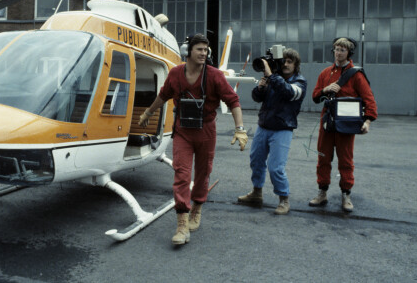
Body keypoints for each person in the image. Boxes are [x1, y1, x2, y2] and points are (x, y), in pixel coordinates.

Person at [138, 34, 248, 245]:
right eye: (199, 49)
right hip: (183, 131)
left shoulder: (215, 76)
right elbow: (163, 95)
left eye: (206, 50)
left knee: (203, 171)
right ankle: (181, 225)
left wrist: (240, 129)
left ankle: (197, 207)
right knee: (182, 173)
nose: (203, 54)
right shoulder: (176, 73)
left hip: (206, 130)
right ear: (188, 51)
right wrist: (148, 113)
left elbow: (233, 101)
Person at [309, 37, 377, 212]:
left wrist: (368, 121)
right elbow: (315, 96)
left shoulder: (357, 75)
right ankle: (322, 192)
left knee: (345, 160)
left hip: (347, 124)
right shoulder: (325, 73)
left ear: (349, 53)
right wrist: (326, 89)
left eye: (342, 50)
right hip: (328, 122)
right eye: (336, 49)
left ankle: (346, 194)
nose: (338, 53)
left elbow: (369, 99)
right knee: (323, 157)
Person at [238, 49, 307, 215]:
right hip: (264, 126)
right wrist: (261, 87)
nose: (285, 64)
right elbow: (256, 97)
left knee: (276, 167)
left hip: (282, 129)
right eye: (284, 61)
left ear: (296, 65)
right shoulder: (274, 78)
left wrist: (271, 76)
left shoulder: (299, 82)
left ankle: (284, 199)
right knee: (256, 161)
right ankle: (257, 193)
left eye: (290, 61)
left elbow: (288, 92)